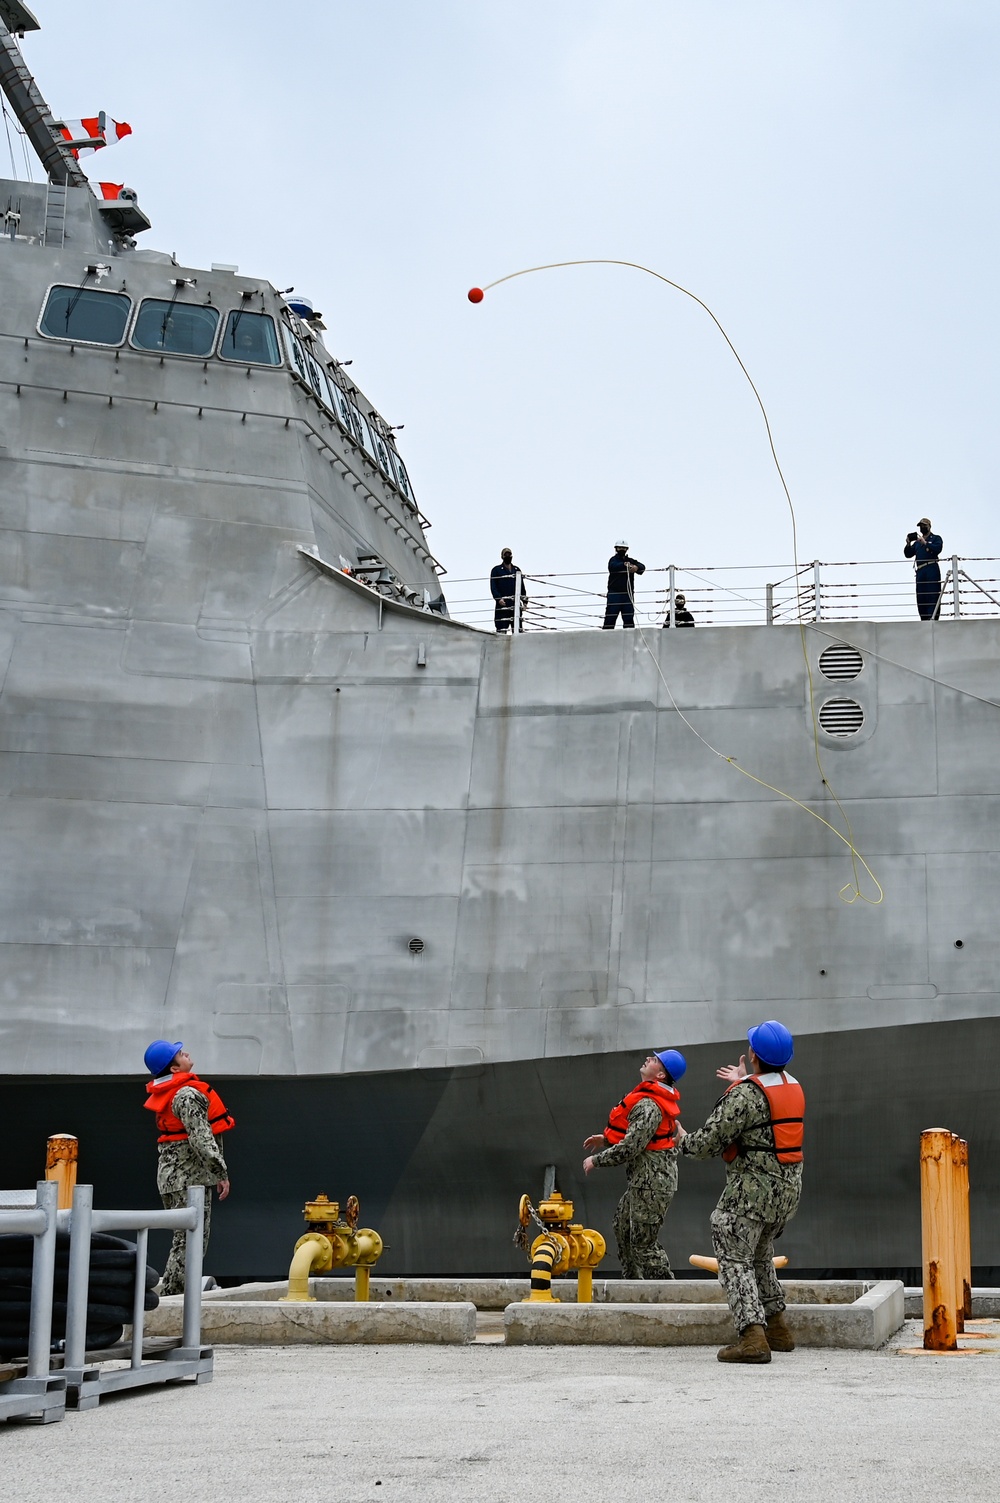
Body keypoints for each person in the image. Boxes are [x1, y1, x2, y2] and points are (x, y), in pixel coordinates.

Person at [677, 1020, 804, 1364]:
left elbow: (707, 1142)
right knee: (760, 1255)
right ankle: (777, 1328)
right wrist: (742, 1081)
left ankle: (752, 1337)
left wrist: (681, 1139)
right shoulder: (792, 1085)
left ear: (753, 1054)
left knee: (732, 1256)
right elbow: (764, 1114)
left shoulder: (746, 1095)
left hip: (752, 1193)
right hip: (785, 1194)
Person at [582, 1049, 686, 1278]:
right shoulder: (649, 1101)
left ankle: (666, 1292)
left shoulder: (649, 1107)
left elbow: (631, 1148)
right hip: (644, 1182)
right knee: (623, 1226)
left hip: (652, 1184)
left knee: (643, 1244)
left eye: (655, 1060)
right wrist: (607, 1138)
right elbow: (640, 1137)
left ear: (660, 1076)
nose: (649, 1059)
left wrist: (596, 1160)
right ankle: (632, 1282)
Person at [143, 1040, 234, 1295]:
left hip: (175, 1178)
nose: (186, 1054)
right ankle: (175, 1298)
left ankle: (175, 1293)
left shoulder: (175, 1093)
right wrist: (220, 1172)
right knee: (190, 1242)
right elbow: (201, 1137)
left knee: (184, 1239)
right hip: (190, 1179)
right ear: (173, 1068)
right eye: (180, 1054)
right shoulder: (188, 1095)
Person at [903, 518, 943, 621]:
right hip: (920, 571)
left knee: (933, 594)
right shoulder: (917, 543)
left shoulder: (935, 538)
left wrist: (925, 543)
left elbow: (937, 549)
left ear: (929, 526)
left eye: (924, 525)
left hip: (931, 568)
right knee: (921, 596)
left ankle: (933, 617)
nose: (922, 527)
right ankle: (924, 618)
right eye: (920, 526)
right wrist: (908, 544)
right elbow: (908, 554)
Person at [602, 541, 645, 629]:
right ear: (616, 549)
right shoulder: (613, 560)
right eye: (620, 548)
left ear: (627, 549)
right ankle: (606, 637)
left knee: (628, 618)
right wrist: (624, 565)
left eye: (624, 548)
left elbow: (642, 567)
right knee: (611, 617)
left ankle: (630, 638)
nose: (622, 549)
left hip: (627, 594)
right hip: (615, 593)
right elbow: (613, 567)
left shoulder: (631, 561)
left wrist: (636, 568)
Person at [490, 547, 528, 633]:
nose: (508, 556)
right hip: (503, 605)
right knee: (501, 632)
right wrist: (498, 598)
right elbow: (493, 587)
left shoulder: (516, 570)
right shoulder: (496, 570)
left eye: (509, 554)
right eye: (505, 554)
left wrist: (525, 601)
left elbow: (522, 587)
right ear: (502, 556)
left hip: (515, 605)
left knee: (518, 630)